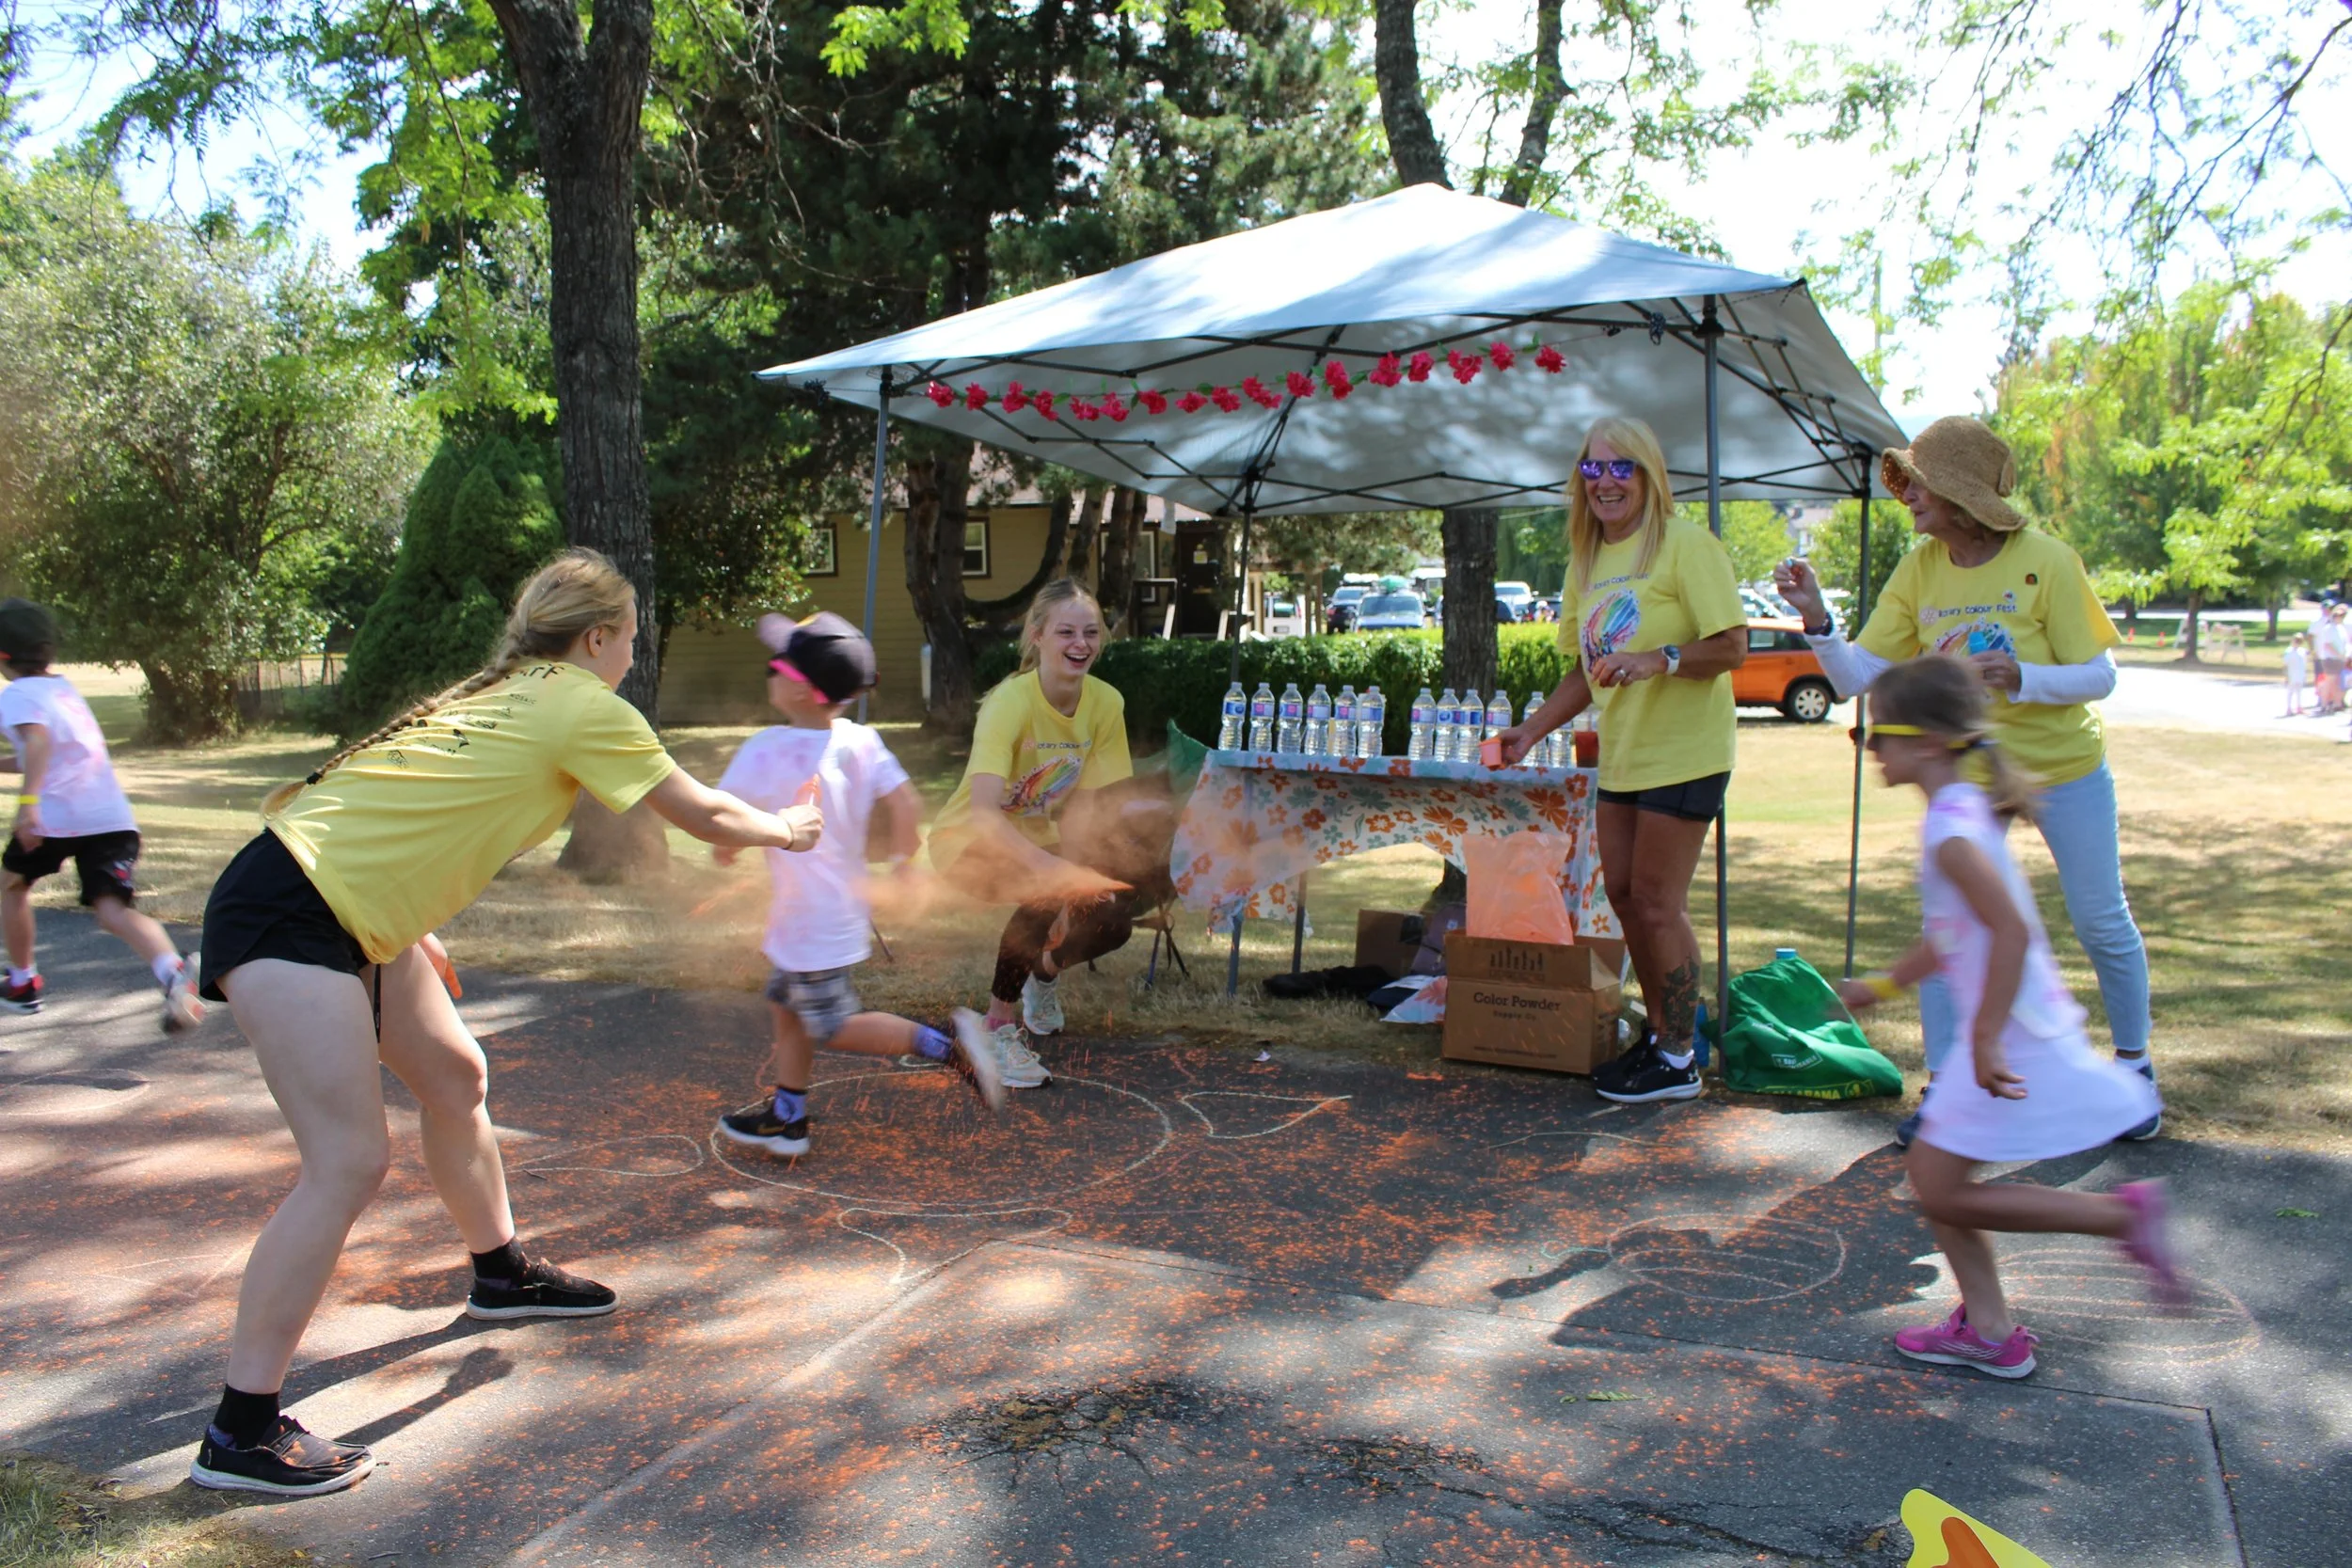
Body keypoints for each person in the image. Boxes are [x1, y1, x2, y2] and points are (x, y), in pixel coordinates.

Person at [186, 549, 824, 1499]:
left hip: (347, 906)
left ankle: (500, 1269)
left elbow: (408, 806)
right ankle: (239, 1430)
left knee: (455, 1077)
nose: (627, 657)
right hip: (293, 912)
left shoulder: (511, 689)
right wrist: (787, 829)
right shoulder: (579, 701)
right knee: (349, 1160)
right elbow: (703, 814)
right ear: (600, 636)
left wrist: (414, 921)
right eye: (630, 639)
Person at [1774, 416, 2160, 1143]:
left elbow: (2101, 675)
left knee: (2098, 917)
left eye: (1920, 484)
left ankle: (2135, 1068)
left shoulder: (2046, 558)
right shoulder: (1920, 567)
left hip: (2065, 767)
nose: (1909, 497)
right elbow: (1862, 675)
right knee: (1946, 926)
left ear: (1960, 496)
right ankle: (1951, 1091)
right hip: (1975, 776)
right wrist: (1818, 617)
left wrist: (2025, 675)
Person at [1837, 655, 2181, 1379]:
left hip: (2012, 1029)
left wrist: (1987, 1035)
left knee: (1938, 1184)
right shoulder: (1958, 809)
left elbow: (2009, 932)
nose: (1870, 749)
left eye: (1876, 735)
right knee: (1936, 1180)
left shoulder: (1953, 831)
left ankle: (2119, 1219)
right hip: (2014, 1024)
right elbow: (1952, 929)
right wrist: (1882, 986)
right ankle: (1990, 1327)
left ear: (1926, 740)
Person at [1496, 416, 1747, 1103]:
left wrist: (1659, 658)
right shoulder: (1586, 560)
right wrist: (1530, 729)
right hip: (1626, 754)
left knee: (1661, 903)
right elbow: (1586, 671)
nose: (1606, 482)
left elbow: (1732, 646)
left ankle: (1680, 1056)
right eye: (1592, 469)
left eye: (1621, 468)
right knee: (1625, 896)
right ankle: (1663, 1035)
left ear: (1647, 475)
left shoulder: (1686, 547)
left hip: (1687, 750)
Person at [713, 611, 1003, 1157]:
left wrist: (725, 846)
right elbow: (905, 800)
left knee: (833, 1025)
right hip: (829, 916)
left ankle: (946, 1044)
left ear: (799, 689)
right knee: (788, 1007)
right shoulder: (860, 740)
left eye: (775, 666)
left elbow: (724, 815)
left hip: (810, 926)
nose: (768, 674)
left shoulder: (766, 748)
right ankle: (788, 1117)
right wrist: (900, 858)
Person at [929, 579, 1136, 1089]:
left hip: (1036, 839)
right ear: (1038, 635)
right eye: (1066, 631)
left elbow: (1094, 808)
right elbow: (982, 814)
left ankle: (1043, 972)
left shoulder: (1106, 703)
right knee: (1048, 887)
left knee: (1115, 915)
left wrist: (1098, 869)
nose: (1080, 644)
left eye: (1090, 633)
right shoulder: (1010, 702)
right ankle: (996, 1031)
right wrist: (1053, 869)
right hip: (967, 842)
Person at [0, 598, 202, 1031]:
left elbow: (37, 747)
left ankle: (22, 982)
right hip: (110, 818)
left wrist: (28, 809)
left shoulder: (16, 695)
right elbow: (49, 753)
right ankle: (173, 973)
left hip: (56, 815)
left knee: (10, 886)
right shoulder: (62, 691)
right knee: (112, 912)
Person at [2284, 633, 2311, 717]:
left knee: (2299, 691)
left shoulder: (2302, 651)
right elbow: (2286, 664)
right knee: (2290, 691)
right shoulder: (2289, 651)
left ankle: (2299, 706)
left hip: (2300, 673)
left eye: (2299, 641)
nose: (2296, 643)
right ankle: (2289, 708)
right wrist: (2286, 675)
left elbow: (2305, 662)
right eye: (2295, 641)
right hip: (2292, 673)